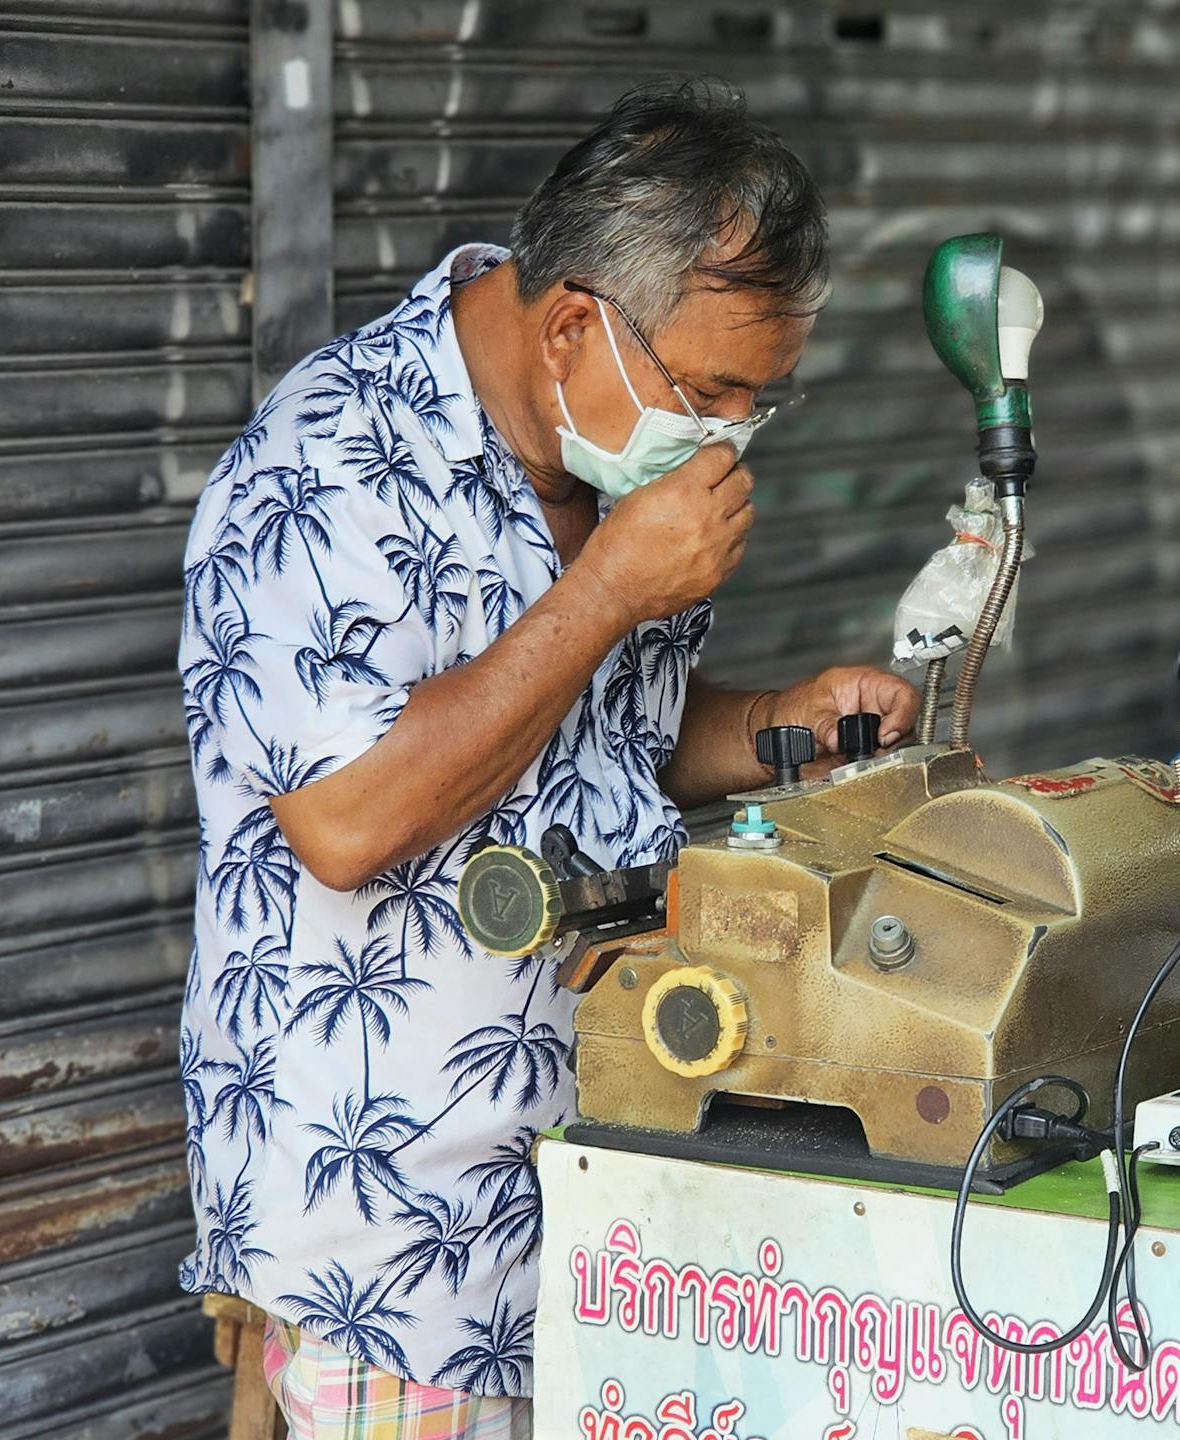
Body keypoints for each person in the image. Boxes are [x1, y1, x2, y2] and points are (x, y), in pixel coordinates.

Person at [176, 76, 916, 1438]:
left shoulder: (623, 475)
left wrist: (787, 724)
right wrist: (607, 593)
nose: (732, 432)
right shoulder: (325, 465)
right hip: (397, 1238)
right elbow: (348, 818)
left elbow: (598, 741)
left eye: (763, 402)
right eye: (712, 390)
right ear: (575, 323)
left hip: (607, 1188)